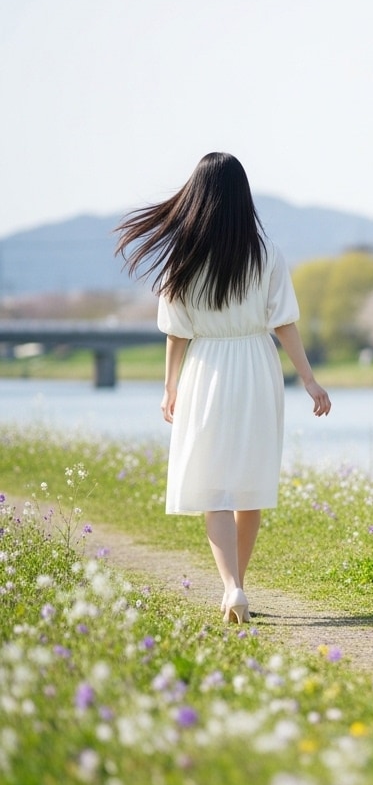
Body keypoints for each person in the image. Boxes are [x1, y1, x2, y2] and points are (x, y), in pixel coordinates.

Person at [115, 152, 331, 624]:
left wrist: (169, 386)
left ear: (198, 196)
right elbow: (285, 323)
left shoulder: (185, 256)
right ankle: (239, 586)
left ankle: (231, 586)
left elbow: (177, 332)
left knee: (213, 485)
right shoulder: (267, 252)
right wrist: (310, 381)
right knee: (249, 483)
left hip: (205, 367)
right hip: (256, 364)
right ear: (242, 196)